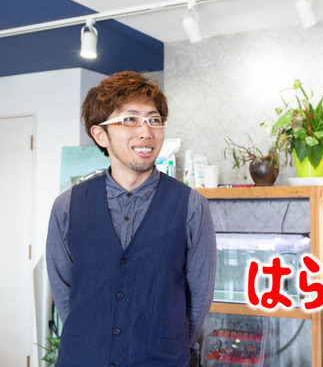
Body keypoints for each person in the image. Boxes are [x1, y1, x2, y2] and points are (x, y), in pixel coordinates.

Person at [46, 71, 217, 367]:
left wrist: (173, 345)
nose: (146, 132)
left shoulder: (191, 205)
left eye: (154, 120)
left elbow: (199, 296)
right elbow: (64, 291)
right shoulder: (67, 206)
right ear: (100, 134)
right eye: (130, 119)